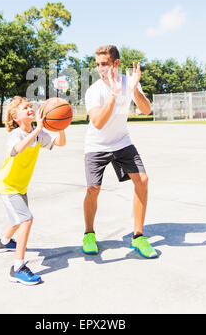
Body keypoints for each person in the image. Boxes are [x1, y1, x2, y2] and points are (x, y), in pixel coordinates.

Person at [82, 45, 157, 258]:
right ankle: (89, 233)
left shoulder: (129, 82)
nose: (99, 68)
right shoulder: (94, 91)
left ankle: (139, 236)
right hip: (97, 145)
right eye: (97, 64)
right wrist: (114, 95)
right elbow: (97, 122)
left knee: (142, 180)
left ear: (116, 63)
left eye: (104, 64)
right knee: (93, 190)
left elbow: (146, 110)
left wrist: (133, 89)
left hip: (122, 142)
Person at [0, 96, 66, 285]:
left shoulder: (37, 133)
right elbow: (17, 149)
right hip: (8, 186)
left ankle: (4, 242)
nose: (30, 109)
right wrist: (40, 129)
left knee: (18, 221)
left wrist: (61, 125)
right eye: (25, 108)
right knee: (26, 219)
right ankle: (17, 268)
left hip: (20, 186)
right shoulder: (16, 135)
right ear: (16, 117)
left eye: (30, 106)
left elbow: (60, 143)